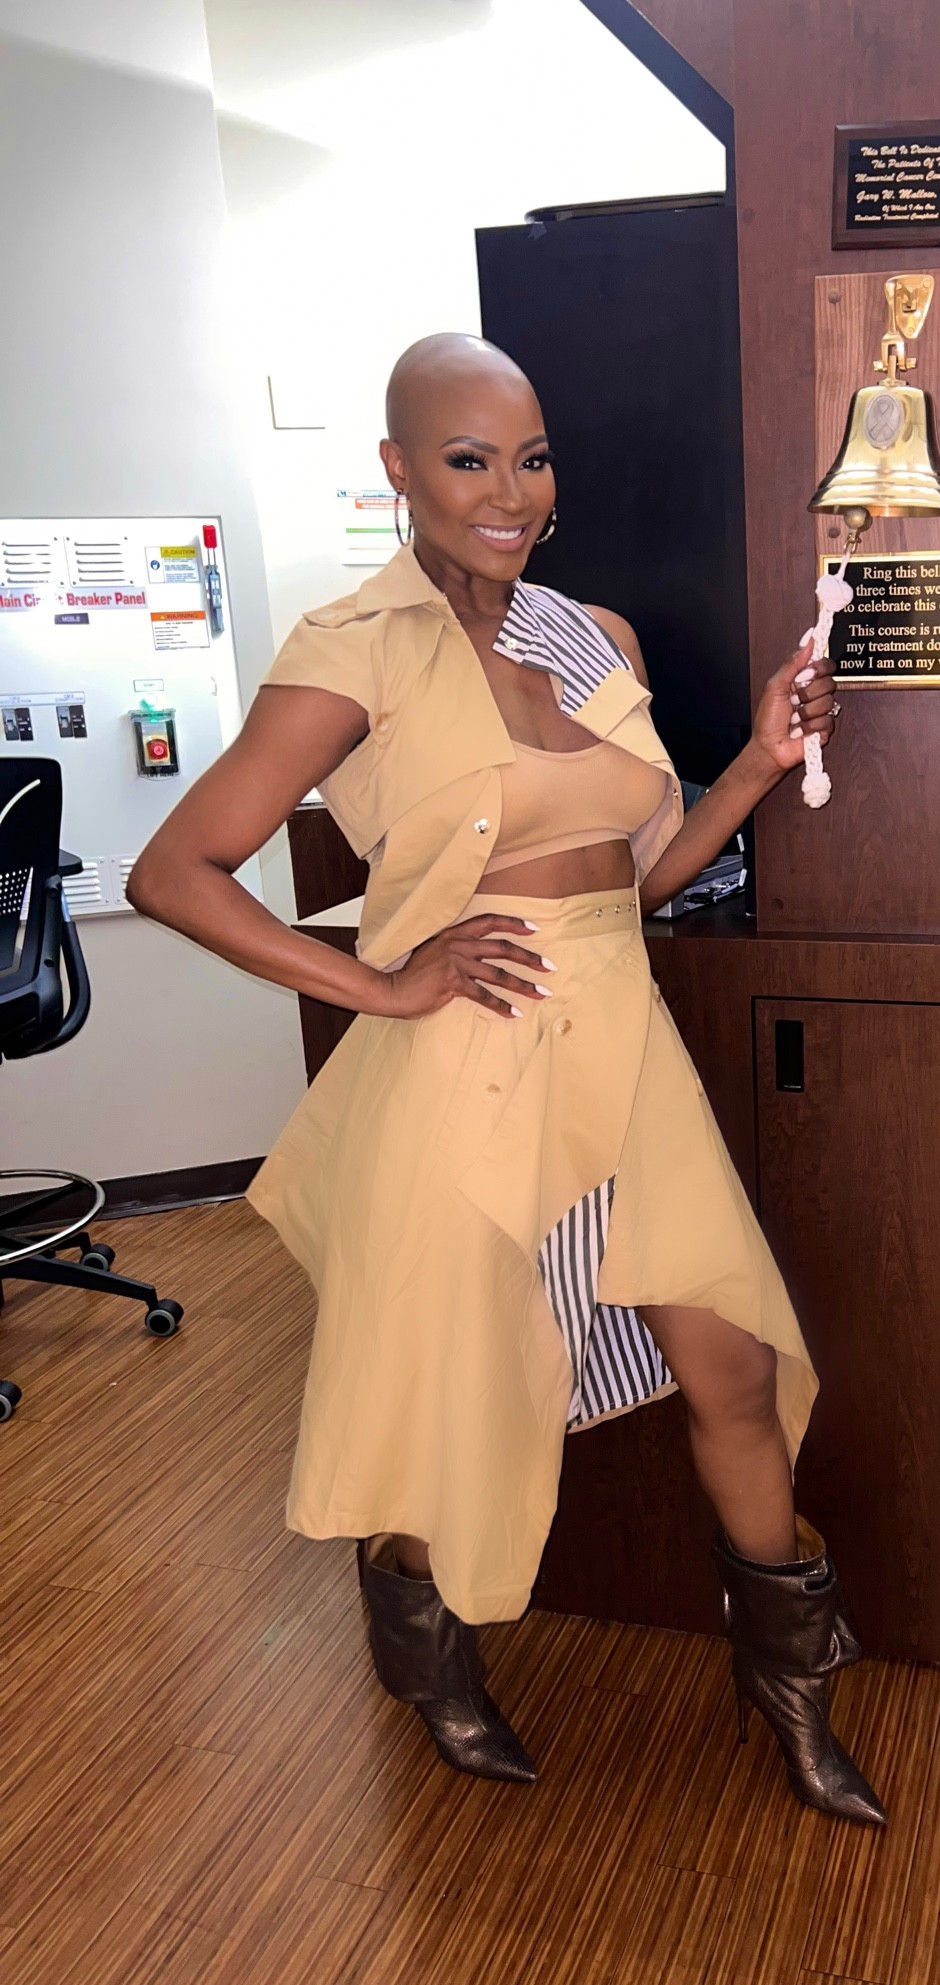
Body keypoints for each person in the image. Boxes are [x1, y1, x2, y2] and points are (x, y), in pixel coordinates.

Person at [129, 332, 884, 1825]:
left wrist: (750, 763)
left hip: (624, 1043)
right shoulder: (353, 648)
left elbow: (632, 880)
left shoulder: (592, 634)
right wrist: (381, 984)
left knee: (731, 1364)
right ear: (398, 469)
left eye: (530, 457)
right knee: (458, 1403)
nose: (509, 491)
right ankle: (430, 1663)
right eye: (468, 459)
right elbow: (176, 871)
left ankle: (791, 1693)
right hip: (466, 1064)